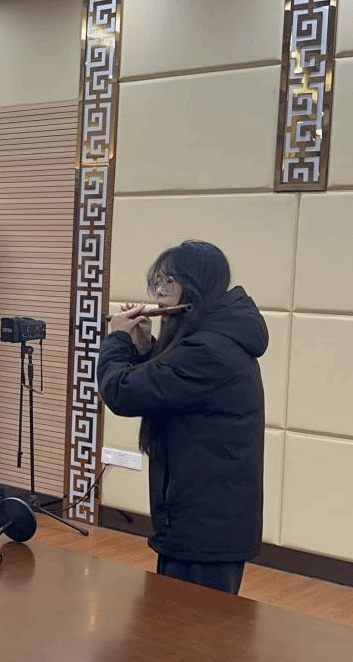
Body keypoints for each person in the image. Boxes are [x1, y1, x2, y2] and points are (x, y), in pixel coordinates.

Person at [96, 240, 266, 595]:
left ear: (197, 284)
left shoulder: (209, 350)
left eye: (169, 281)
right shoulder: (213, 336)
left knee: (192, 621)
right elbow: (166, 390)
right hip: (200, 517)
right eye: (157, 282)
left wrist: (118, 340)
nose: (159, 292)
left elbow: (123, 393)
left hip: (205, 525)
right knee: (174, 616)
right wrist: (145, 347)